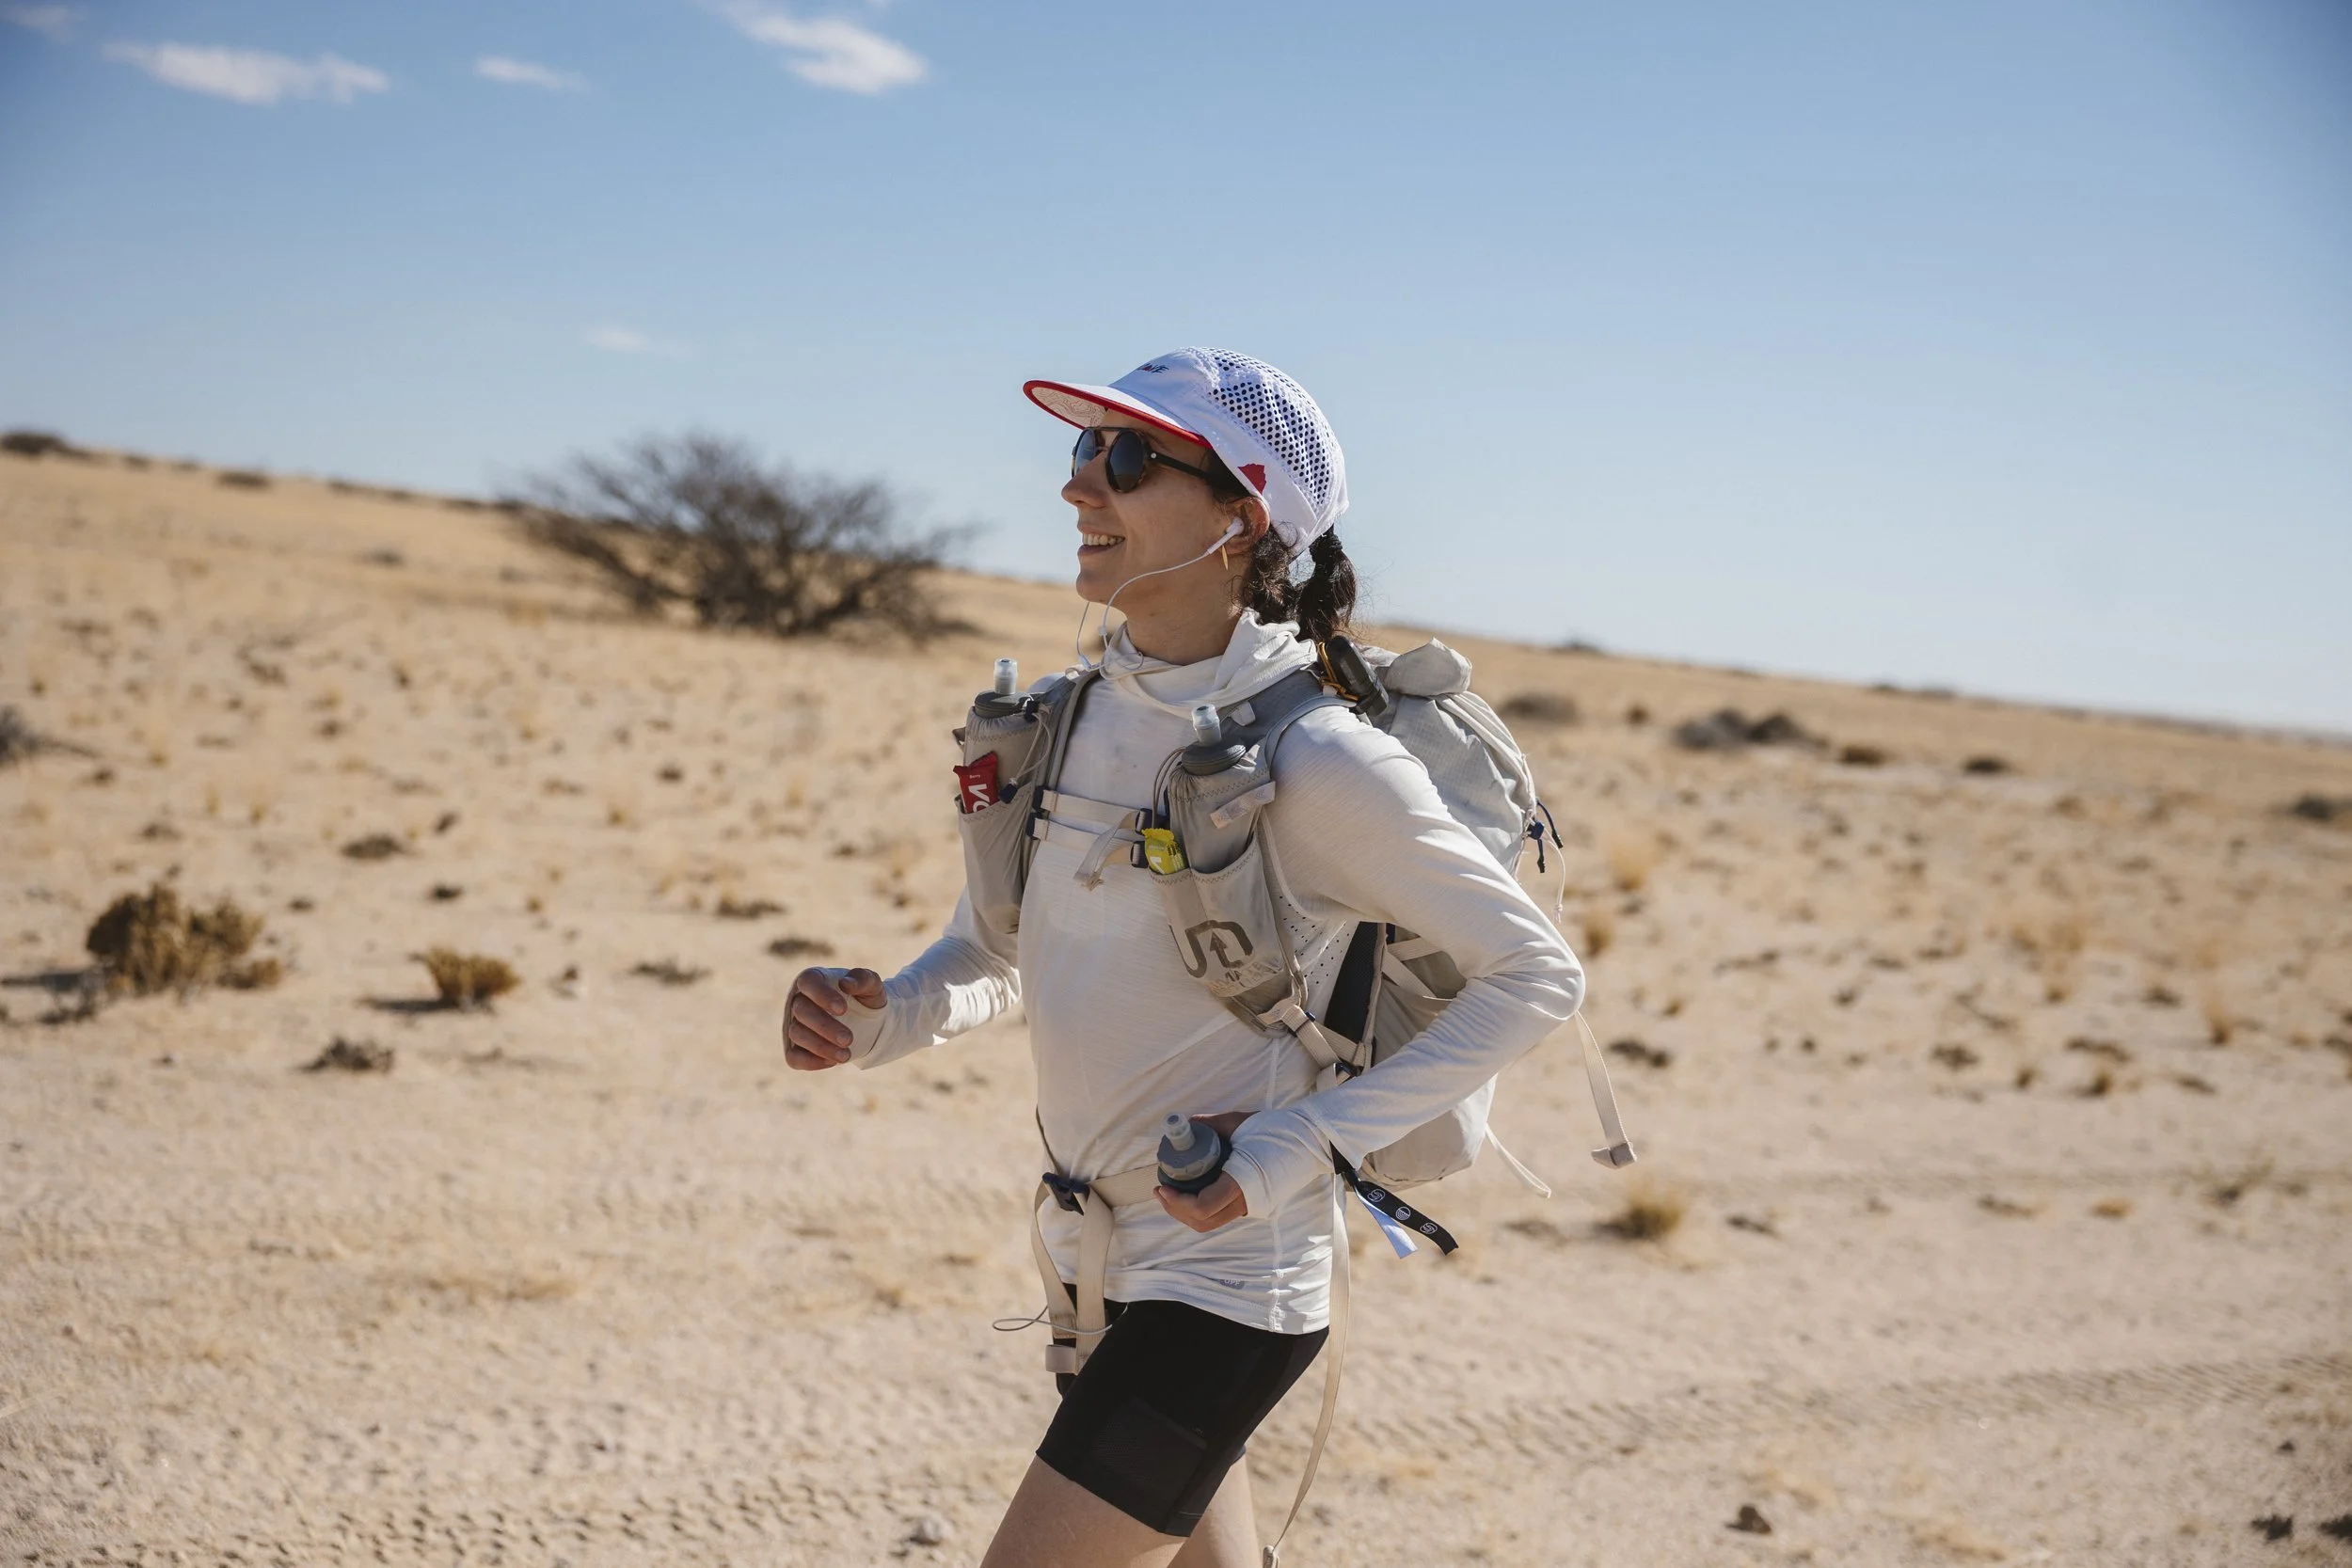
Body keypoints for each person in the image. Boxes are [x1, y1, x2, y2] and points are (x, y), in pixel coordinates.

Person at [782, 348, 1582, 1568]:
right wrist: (885, 1013)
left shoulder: (1318, 758)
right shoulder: (1066, 715)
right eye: (1081, 453)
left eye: (1129, 458)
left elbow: (1536, 975)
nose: (1078, 489)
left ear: (1240, 516)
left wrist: (1296, 1145)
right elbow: (996, 944)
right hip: (1087, 1262)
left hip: (1228, 1284)